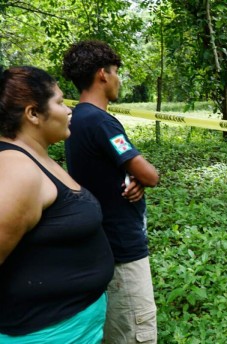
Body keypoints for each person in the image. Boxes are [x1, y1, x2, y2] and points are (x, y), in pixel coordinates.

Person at [0, 66, 114, 342]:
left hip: (73, 326)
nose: (68, 110)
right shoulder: (18, 171)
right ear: (33, 114)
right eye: (60, 102)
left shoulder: (36, 157)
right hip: (46, 333)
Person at [62, 40, 160, 343]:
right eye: (116, 71)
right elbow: (150, 174)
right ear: (102, 74)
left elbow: (106, 169)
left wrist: (132, 176)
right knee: (135, 331)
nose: (119, 79)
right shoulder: (103, 123)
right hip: (122, 248)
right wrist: (141, 176)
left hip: (99, 242)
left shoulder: (76, 118)